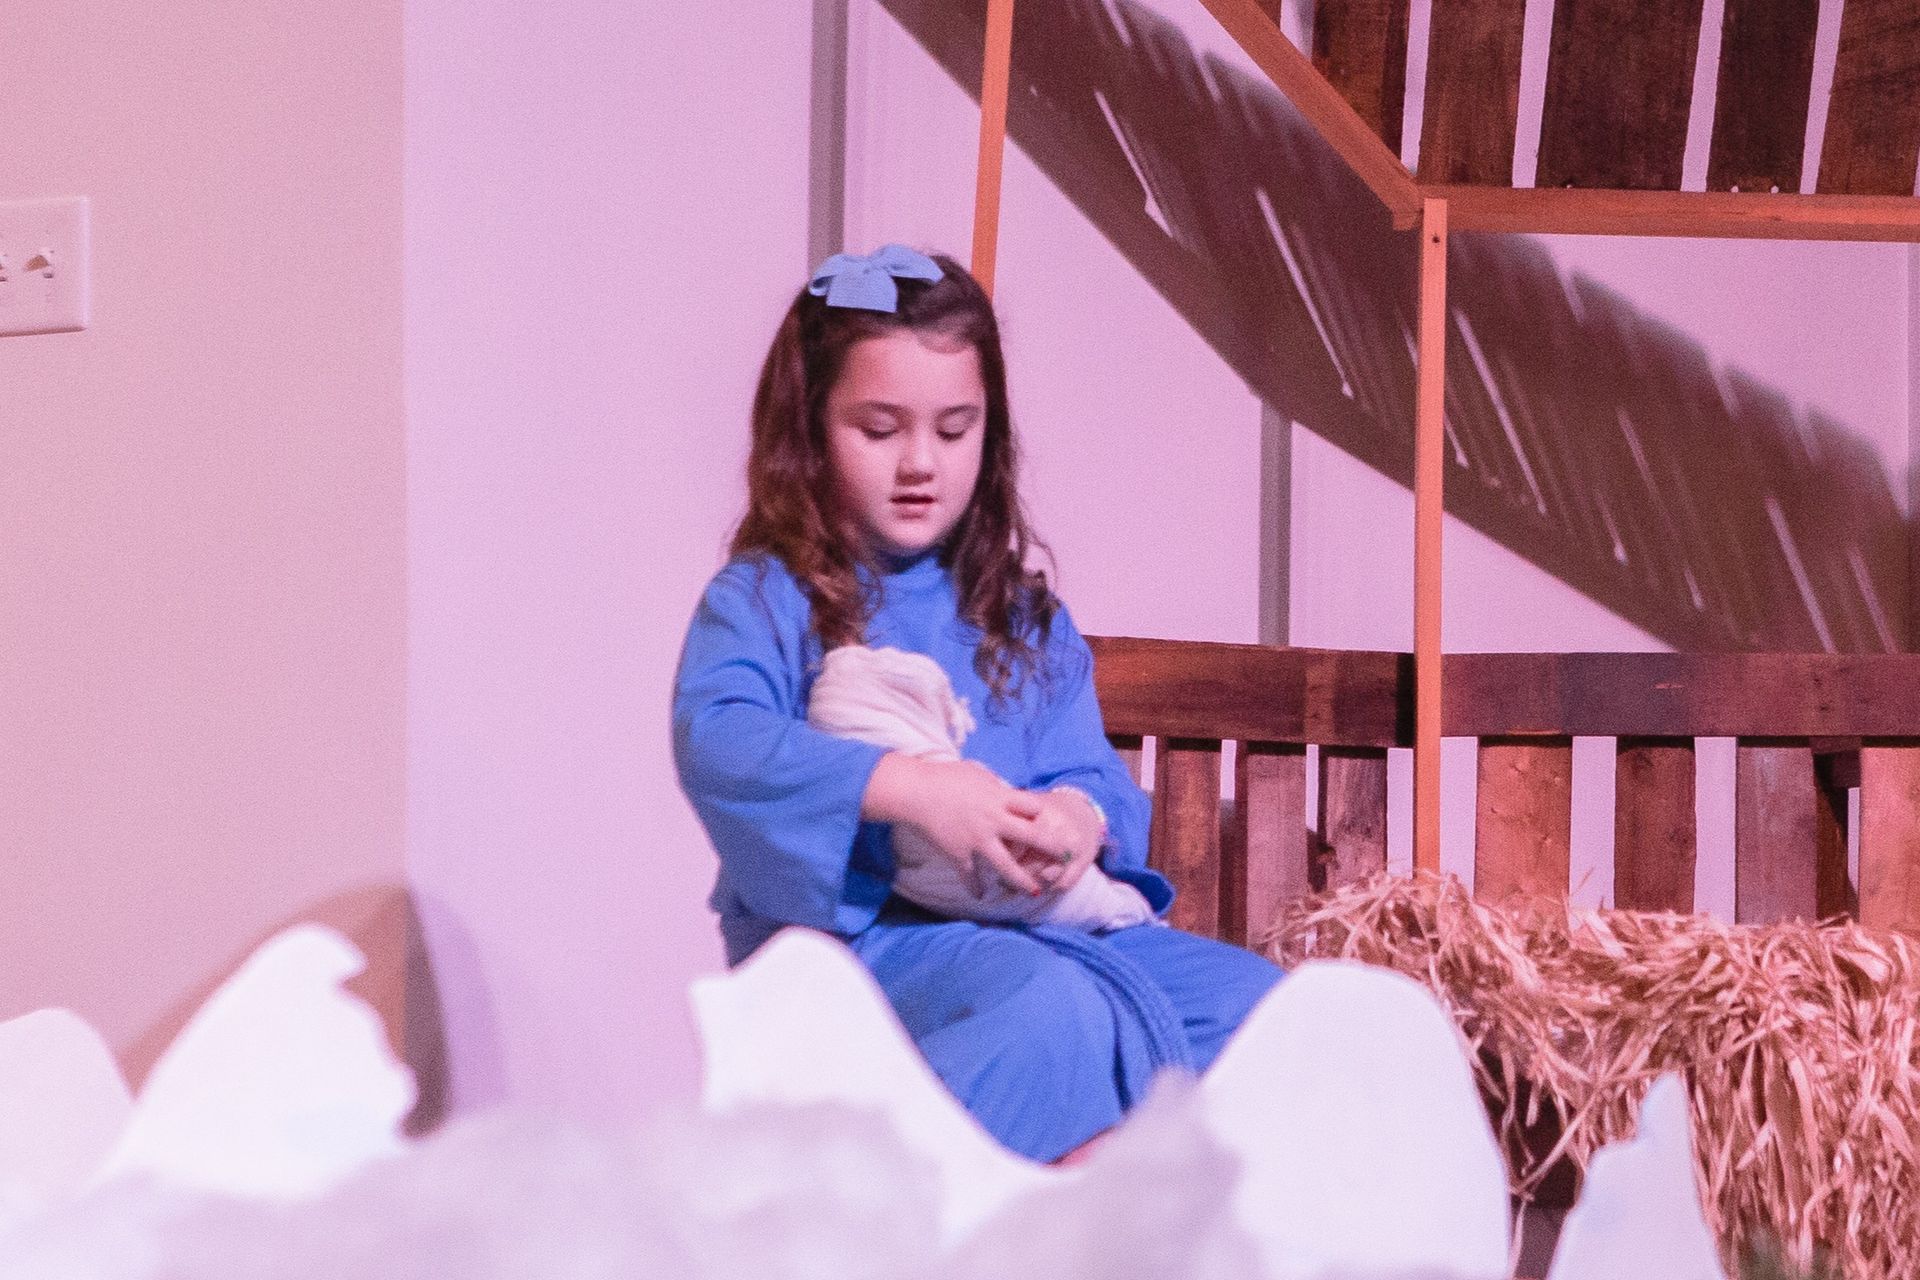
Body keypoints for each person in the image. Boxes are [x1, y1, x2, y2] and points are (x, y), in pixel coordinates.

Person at [671, 245, 1281, 1163]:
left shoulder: (1020, 614)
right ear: (810, 427)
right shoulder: (767, 599)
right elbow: (719, 738)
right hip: (862, 957)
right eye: (880, 430)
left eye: (955, 431)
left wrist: (1075, 820)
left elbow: (1090, 775)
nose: (921, 464)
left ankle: (1117, 1230)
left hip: (1035, 935)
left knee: (1266, 1018)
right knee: (1049, 1013)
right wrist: (909, 791)